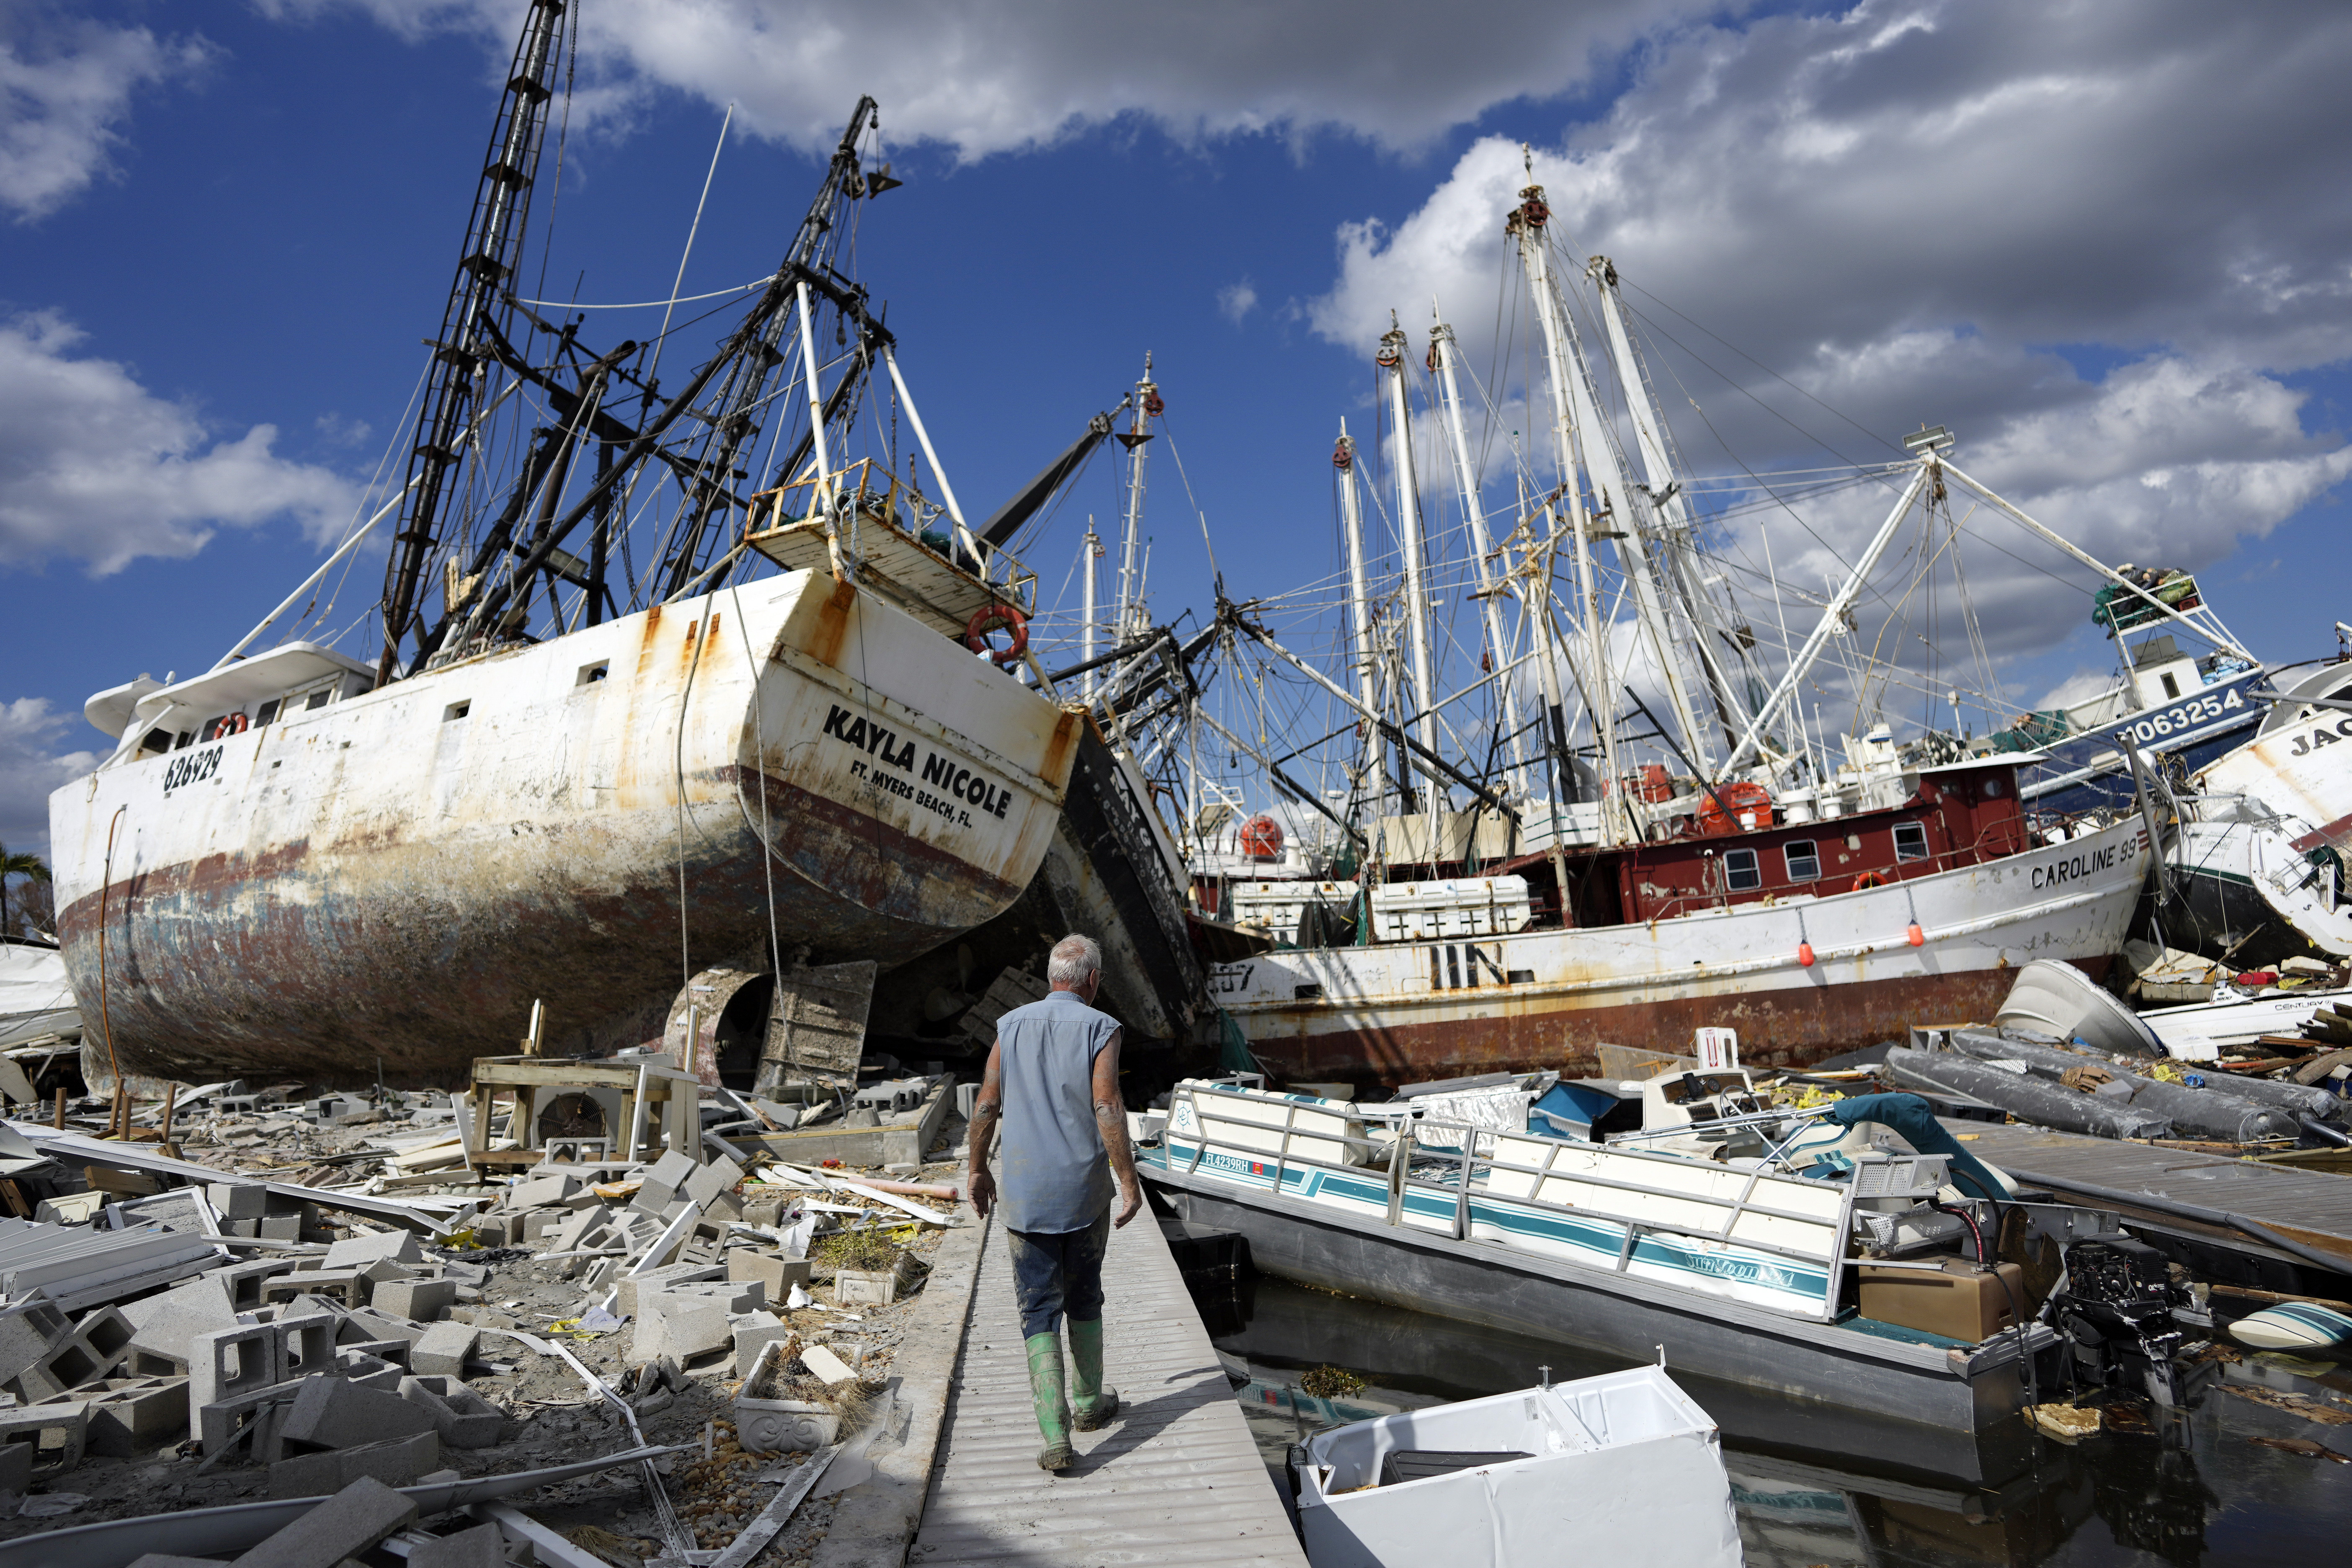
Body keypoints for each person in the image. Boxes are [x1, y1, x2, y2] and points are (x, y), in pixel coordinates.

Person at [965, 934, 1142, 1471]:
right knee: (1085, 1293)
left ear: (1050, 978)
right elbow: (1107, 1107)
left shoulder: (1009, 1026)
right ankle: (1089, 1405)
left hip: (1023, 1192)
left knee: (1037, 1306)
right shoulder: (1101, 1028)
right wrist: (1128, 1182)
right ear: (1092, 981)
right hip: (1084, 1194)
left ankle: (1055, 1436)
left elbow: (987, 1104)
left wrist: (976, 1169)